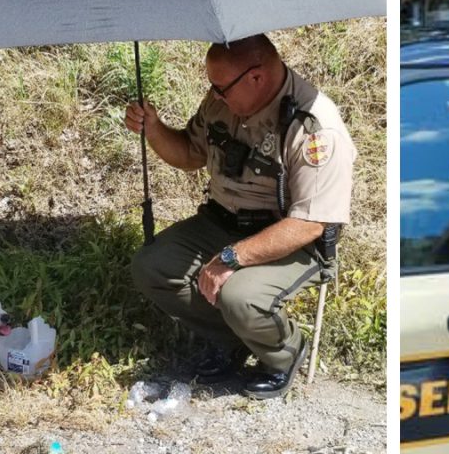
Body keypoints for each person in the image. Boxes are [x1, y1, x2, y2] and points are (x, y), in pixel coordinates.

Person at [125, 34, 356, 399]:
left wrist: (231, 258)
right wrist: (153, 128)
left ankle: (283, 353)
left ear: (256, 77)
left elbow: (311, 222)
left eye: (221, 88)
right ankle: (231, 339)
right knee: (152, 265)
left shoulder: (314, 128)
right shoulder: (224, 101)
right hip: (220, 222)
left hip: (289, 238)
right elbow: (189, 153)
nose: (214, 95)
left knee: (239, 296)